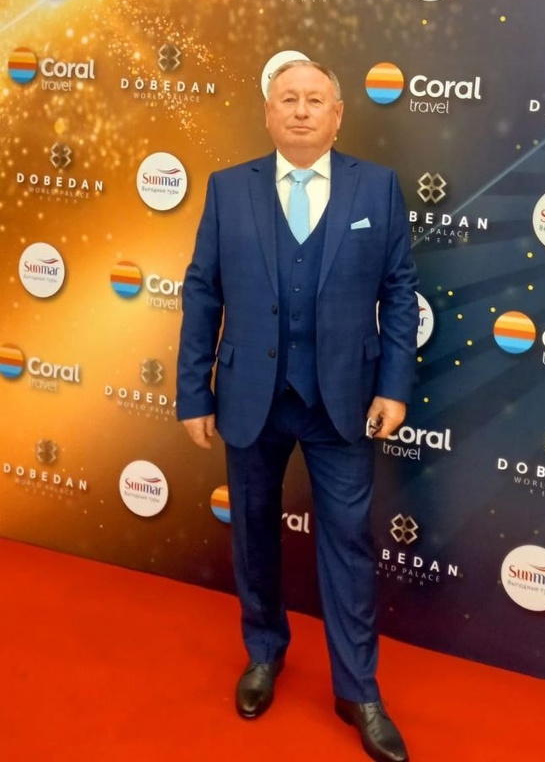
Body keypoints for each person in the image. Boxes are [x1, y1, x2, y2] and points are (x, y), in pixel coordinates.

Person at [176, 59, 419, 762]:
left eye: (316, 100)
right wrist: (193, 390)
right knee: (253, 534)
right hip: (249, 397)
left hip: (342, 401)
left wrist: (394, 386)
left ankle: (358, 689)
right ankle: (264, 653)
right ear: (269, 112)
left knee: (348, 543)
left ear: (338, 115)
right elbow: (203, 292)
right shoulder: (228, 189)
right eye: (289, 99)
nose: (303, 111)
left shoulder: (377, 186)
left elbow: (400, 292)